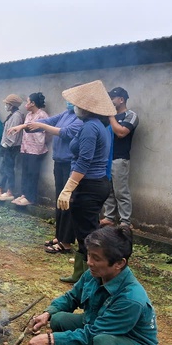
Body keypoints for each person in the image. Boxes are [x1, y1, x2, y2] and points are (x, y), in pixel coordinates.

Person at [24, 225, 162, 345]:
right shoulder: (93, 274)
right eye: (89, 255)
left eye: (96, 258)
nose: (89, 262)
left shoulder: (131, 298)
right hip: (101, 329)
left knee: (103, 341)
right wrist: (48, 313)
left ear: (119, 263)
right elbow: (72, 297)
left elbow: (94, 334)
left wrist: (51, 340)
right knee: (59, 319)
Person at [56, 80, 114, 283]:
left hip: (89, 185)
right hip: (95, 184)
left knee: (87, 234)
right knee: (86, 231)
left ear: (86, 107)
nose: (74, 107)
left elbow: (84, 160)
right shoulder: (97, 125)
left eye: (77, 104)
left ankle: (92, 278)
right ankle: (81, 276)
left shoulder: (90, 127)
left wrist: (68, 188)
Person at [26, 97, 83, 253]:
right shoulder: (66, 113)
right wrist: (25, 126)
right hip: (59, 162)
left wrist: (40, 125)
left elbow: (65, 133)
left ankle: (66, 242)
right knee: (60, 200)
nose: (69, 102)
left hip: (70, 164)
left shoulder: (81, 119)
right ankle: (59, 235)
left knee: (67, 201)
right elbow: (50, 122)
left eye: (72, 99)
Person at [101, 87, 139, 228]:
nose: (110, 101)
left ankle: (125, 222)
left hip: (119, 159)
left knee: (120, 191)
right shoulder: (107, 117)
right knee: (108, 190)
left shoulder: (131, 116)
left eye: (112, 98)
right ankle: (109, 217)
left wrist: (111, 116)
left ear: (121, 99)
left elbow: (121, 133)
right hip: (106, 158)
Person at [7, 92, 49, 206]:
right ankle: (24, 194)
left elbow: (46, 132)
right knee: (25, 172)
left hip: (36, 150)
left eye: (28, 101)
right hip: (25, 148)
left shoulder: (42, 115)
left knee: (32, 173)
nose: (26, 104)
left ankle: (31, 198)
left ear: (33, 103)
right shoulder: (29, 115)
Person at [0, 94, 25, 201]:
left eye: (7, 104)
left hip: (11, 147)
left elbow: (13, 134)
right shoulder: (12, 115)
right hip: (8, 147)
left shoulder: (16, 116)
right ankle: (0, 188)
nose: (5, 105)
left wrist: (5, 145)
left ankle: (10, 191)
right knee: (4, 169)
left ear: (12, 105)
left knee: (9, 169)